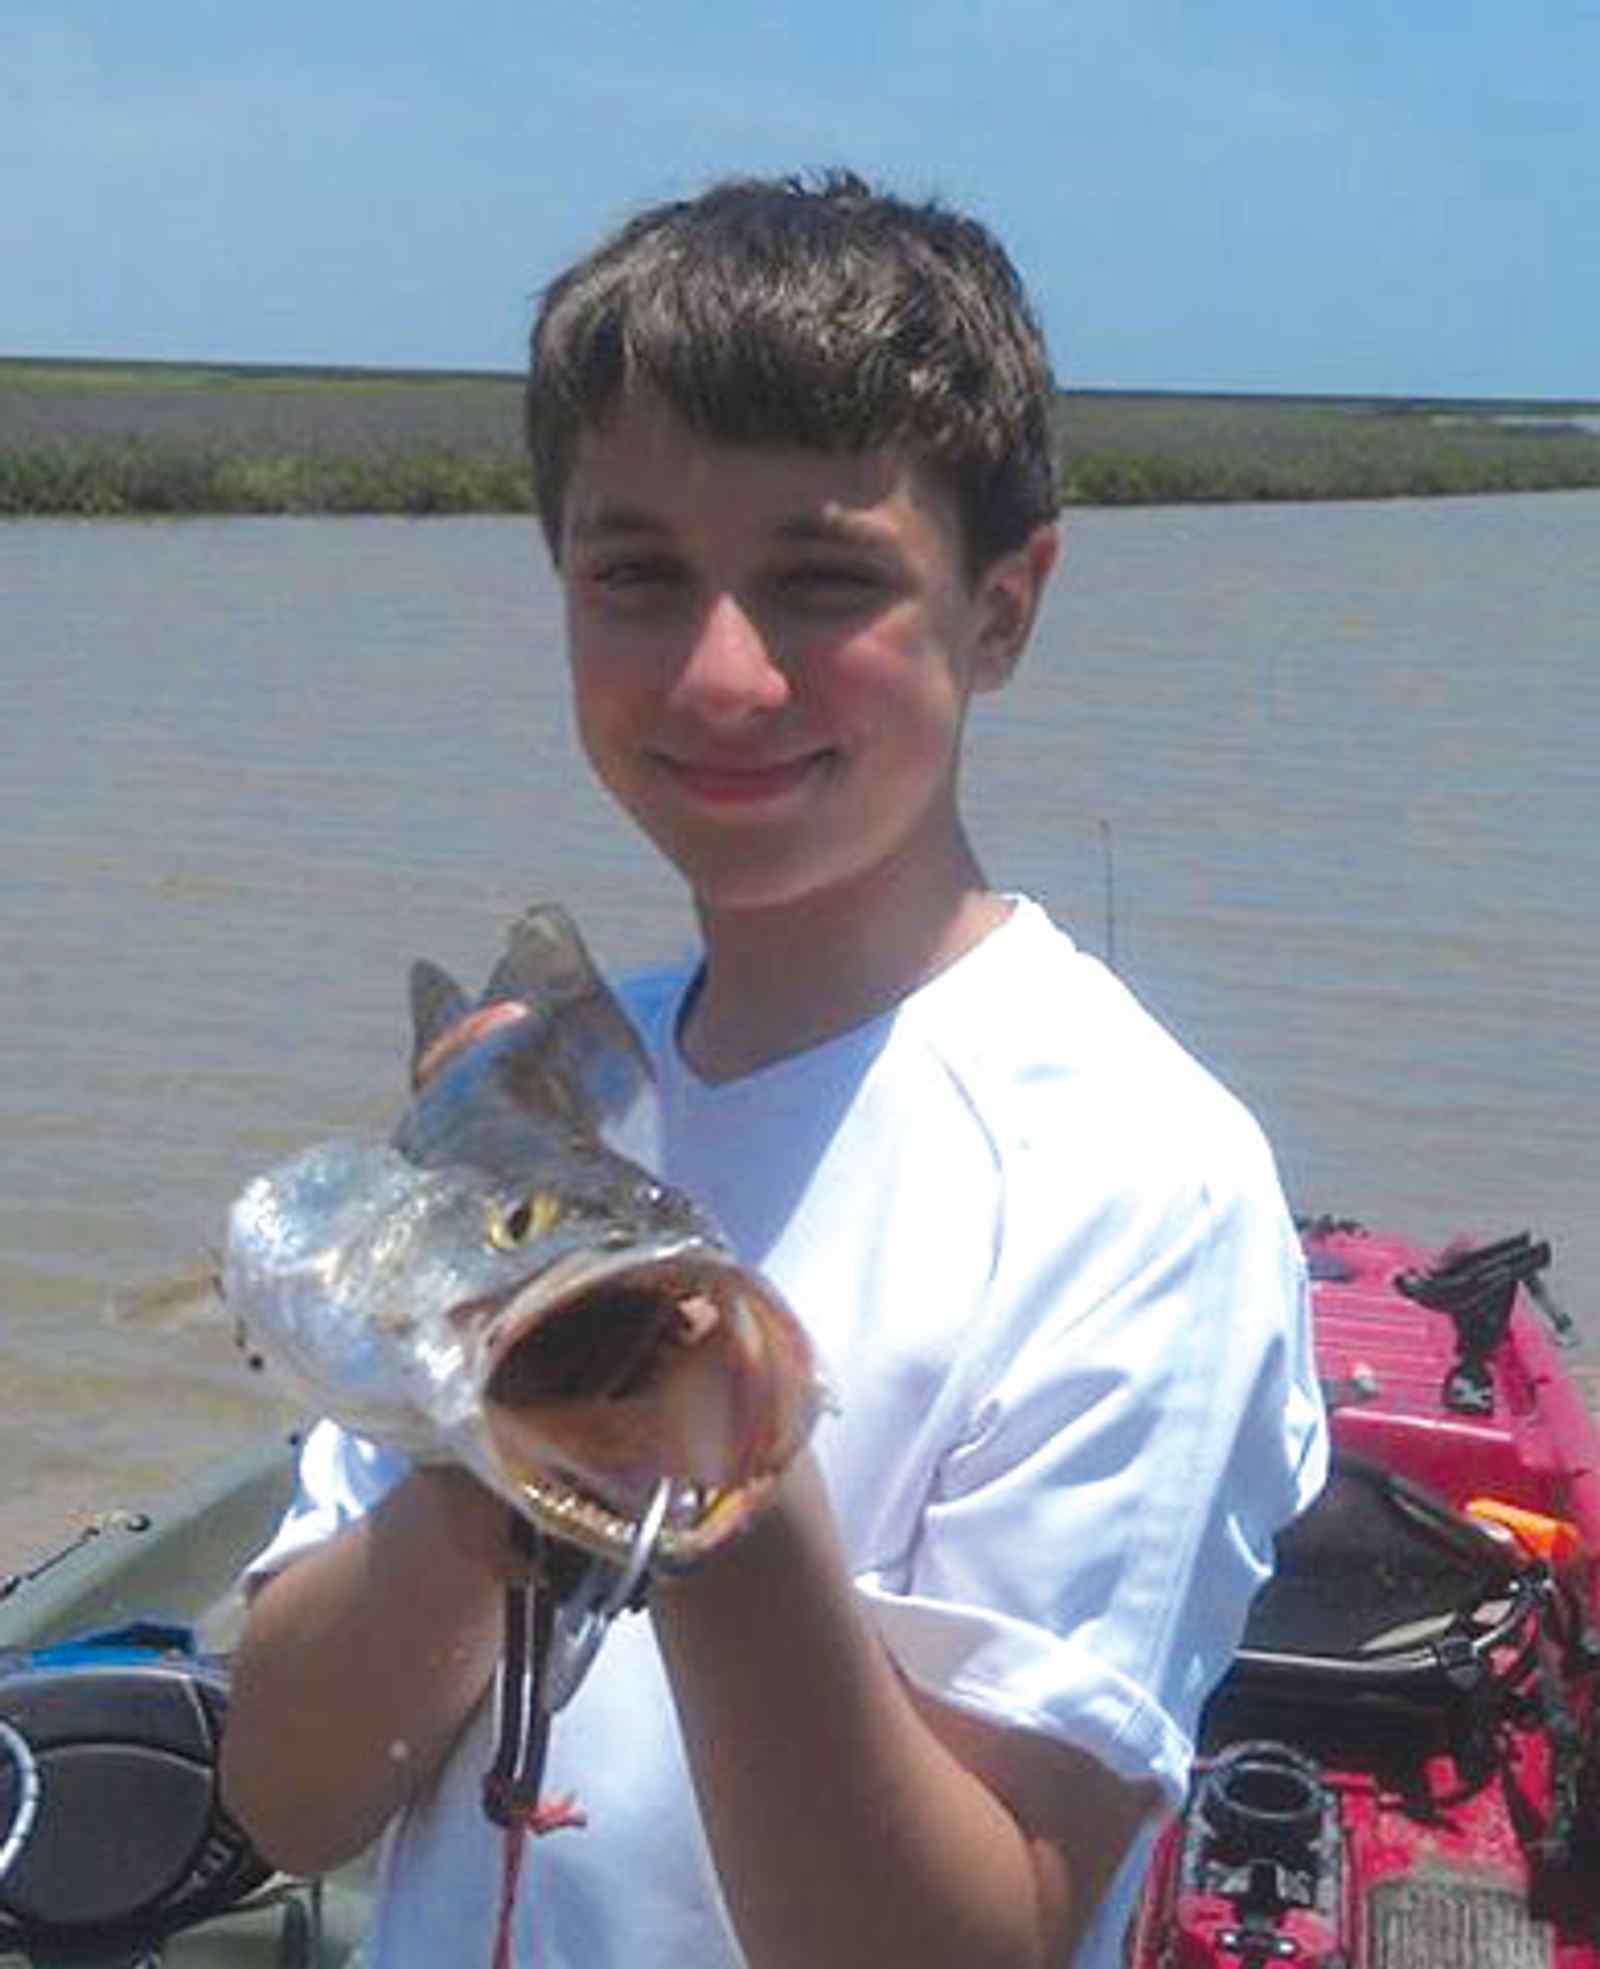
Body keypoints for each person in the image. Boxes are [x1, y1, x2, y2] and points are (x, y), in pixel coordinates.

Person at [220, 170, 1326, 1968]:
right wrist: (489, 1461)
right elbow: (284, 1795)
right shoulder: (540, 1101)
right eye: (638, 575)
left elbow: (980, 1936)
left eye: (825, 582)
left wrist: (709, 1484)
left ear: (1003, 607)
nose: (723, 677)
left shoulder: (1138, 1181)